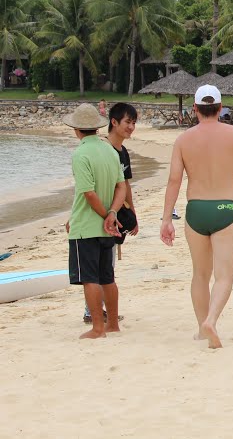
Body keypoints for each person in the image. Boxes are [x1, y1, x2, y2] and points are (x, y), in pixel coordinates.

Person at [160, 85, 233, 349]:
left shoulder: (183, 140)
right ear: (220, 108)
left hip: (196, 210)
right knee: (224, 275)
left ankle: (201, 327)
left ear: (194, 109)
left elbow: (174, 180)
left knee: (199, 274)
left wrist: (166, 219)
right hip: (227, 208)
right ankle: (212, 320)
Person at [64, 103, 126, 339]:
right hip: (107, 225)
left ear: (77, 130)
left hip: (86, 227)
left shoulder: (80, 154)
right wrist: (112, 213)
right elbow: (121, 186)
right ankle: (113, 324)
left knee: (89, 278)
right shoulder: (110, 150)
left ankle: (98, 327)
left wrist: (105, 216)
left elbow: (88, 193)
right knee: (107, 277)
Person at [81, 102, 139, 324]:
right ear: (113, 122)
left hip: (114, 213)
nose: (131, 127)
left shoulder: (123, 152)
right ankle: (92, 311)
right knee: (96, 263)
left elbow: (125, 184)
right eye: (127, 122)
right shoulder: (103, 149)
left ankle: (100, 310)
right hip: (97, 212)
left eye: (134, 123)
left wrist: (132, 215)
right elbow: (87, 186)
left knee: (108, 262)